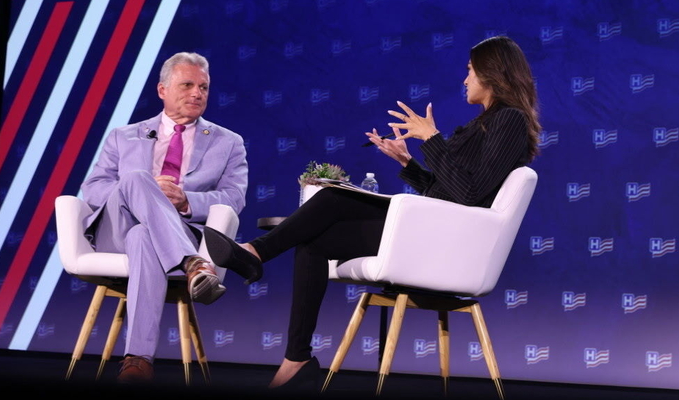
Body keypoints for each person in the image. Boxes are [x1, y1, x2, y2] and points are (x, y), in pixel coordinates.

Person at [203, 35, 541, 391]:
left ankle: (255, 253)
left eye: (471, 70)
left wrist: (431, 139)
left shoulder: (511, 121)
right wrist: (407, 162)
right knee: (314, 240)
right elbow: (448, 191)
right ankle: (296, 359)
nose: (465, 79)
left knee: (333, 200)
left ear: (492, 72)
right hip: (436, 231)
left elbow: (469, 196)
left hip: (447, 245)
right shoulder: (486, 122)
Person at [81, 52, 254, 383]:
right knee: (136, 179)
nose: (197, 93)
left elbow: (234, 198)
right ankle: (193, 264)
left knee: (143, 237)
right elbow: (94, 189)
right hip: (117, 229)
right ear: (162, 90)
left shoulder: (229, 143)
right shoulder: (123, 136)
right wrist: (142, 189)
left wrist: (187, 200)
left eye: (203, 87)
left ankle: (137, 361)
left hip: (180, 229)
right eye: (187, 85)